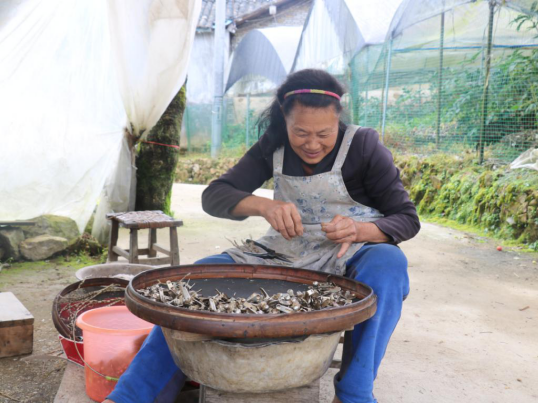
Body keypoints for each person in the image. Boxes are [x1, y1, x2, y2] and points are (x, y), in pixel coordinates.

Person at [105, 69, 420, 404]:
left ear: (338, 117)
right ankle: (130, 396)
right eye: (300, 132)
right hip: (284, 250)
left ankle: (353, 394)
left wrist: (359, 229)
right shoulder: (273, 145)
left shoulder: (364, 145)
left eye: (324, 133)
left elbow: (406, 218)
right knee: (192, 280)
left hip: (351, 252)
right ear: (284, 118)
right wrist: (264, 206)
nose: (312, 144)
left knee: (388, 265)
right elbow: (214, 195)